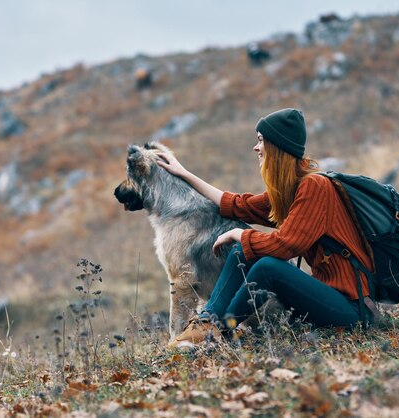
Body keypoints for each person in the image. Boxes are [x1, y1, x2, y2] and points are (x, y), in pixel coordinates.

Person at [156, 108, 375, 348]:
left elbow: (286, 245)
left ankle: (218, 330)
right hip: (326, 299)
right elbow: (238, 205)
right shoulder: (291, 190)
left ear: (278, 146)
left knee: (266, 265)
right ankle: (208, 325)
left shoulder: (316, 187)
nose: (255, 147)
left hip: (352, 311)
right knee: (244, 251)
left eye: (260, 140)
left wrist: (239, 233)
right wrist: (184, 174)